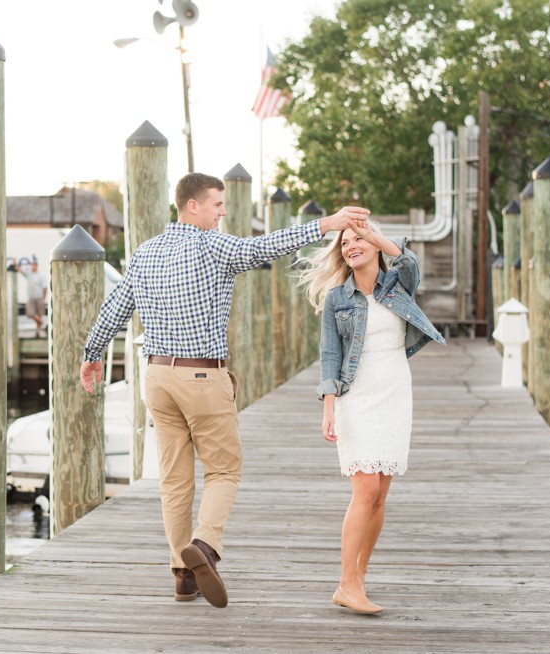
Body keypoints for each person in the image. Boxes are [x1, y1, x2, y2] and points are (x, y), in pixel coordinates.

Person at [79, 172, 371, 608]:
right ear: (192, 206)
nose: (223, 212)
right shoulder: (212, 245)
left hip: (156, 378)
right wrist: (325, 224)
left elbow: (116, 307)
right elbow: (262, 247)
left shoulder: (144, 253)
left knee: (175, 481)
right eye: (217, 204)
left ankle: (182, 575)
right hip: (202, 377)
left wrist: (92, 352)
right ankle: (206, 546)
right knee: (223, 470)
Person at [299, 218, 444, 614]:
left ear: (377, 244)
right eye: (345, 243)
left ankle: (359, 578)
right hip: (356, 396)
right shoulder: (336, 299)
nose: (350, 247)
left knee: (380, 496)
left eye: (358, 240)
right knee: (364, 492)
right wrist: (328, 407)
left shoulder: (397, 284)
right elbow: (329, 355)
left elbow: (410, 260)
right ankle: (346, 582)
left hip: (395, 392)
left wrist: (371, 233)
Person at [16, 259, 47, 336]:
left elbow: (44, 288)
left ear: (36, 266)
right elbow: (20, 270)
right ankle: (44, 323)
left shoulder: (41, 276)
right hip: (31, 298)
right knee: (30, 313)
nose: (32, 266)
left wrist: (43, 298)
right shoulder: (29, 274)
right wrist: (15, 263)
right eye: (32, 265)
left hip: (39, 297)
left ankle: (38, 331)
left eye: (34, 265)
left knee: (39, 314)